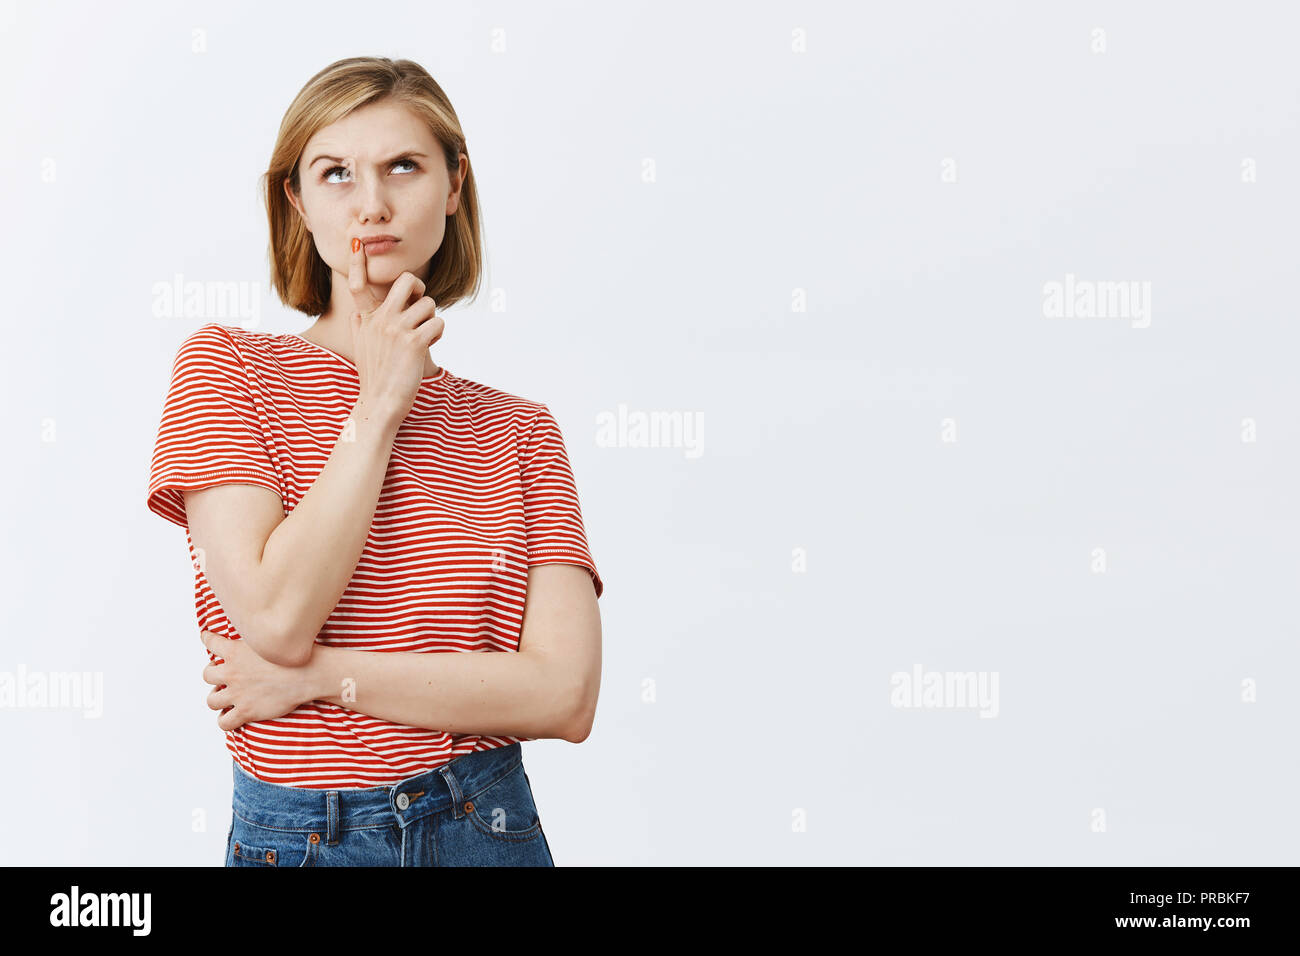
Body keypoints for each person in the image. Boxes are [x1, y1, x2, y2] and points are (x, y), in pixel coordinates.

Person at [145, 56, 604, 867]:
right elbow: (277, 617)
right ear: (297, 199)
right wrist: (380, 401)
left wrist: (318, 679)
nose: (373, 204)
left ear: (454, 184)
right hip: (305, 837)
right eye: (336, 173)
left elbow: (564, 696)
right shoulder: (227, 371)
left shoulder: (522, 431)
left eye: (404, 165)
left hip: (485, 825)